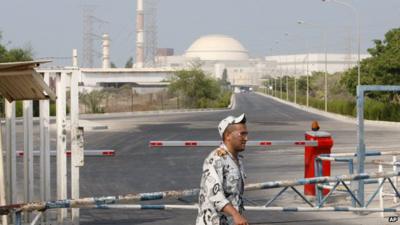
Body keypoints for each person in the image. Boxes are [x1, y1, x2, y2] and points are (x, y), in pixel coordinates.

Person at [196, 113, 249, 225]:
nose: (246, 138)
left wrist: (237, 215)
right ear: (228, 136)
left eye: (246, 134)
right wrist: (236, 214)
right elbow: (215, 194)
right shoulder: (215, 159)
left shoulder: (237, 160)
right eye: (242, 134)